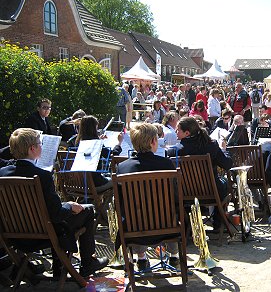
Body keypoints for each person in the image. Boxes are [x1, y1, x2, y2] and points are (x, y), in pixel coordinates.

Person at [0, 128, 108, 277]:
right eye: (40, 143)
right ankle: (87, 263)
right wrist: (70, 205)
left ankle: (59, 267)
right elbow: (56, 214)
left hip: (14, 236)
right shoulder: (42, 176)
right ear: (32, 149)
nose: (41, 146)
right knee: (88, 210)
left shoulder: (2, 174)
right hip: (45, 234)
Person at [116, 123, 180, 270]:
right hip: (167, 226)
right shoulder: (166, 164)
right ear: (153, 141)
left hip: (135, 230)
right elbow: (175, 196)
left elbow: (121, 203)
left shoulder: (123, 168)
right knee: (170, 208)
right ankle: (174, 255)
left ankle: (142, 258)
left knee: (135, 211)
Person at [168, 117, 233, 231]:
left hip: (186, 193)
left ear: (187, 133)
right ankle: (218, 221)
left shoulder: (176, 151)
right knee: (225, 182)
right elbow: (227, 164)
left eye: (178, 130)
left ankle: (188, 224)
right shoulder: (211, 145)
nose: (175, 132)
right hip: (212, 191)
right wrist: (224, 150)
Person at [75, 115, 123, 191]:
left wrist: (99, 140)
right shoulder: (96, 144)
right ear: (93, 129)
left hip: (79, 183)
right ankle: (107, 202)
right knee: (116, 180)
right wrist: (119, 142)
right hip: (95, 183)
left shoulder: (78, 142)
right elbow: (112, 155)